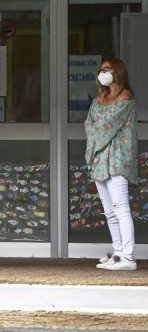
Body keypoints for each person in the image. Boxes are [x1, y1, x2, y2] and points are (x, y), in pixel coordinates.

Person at [85, 58, 138, 271]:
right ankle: (118, 253)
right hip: (100, 161)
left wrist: (95, 142)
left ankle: (128, 256)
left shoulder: (125, 97)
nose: (103, 73)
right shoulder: (100, 98)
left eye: (107, 69)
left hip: (116, 160)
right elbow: (89, 123)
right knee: (109, 210)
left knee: (121, 208)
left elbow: (107, 126)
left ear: (117, 72)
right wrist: (95, 143)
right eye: (101, 69)